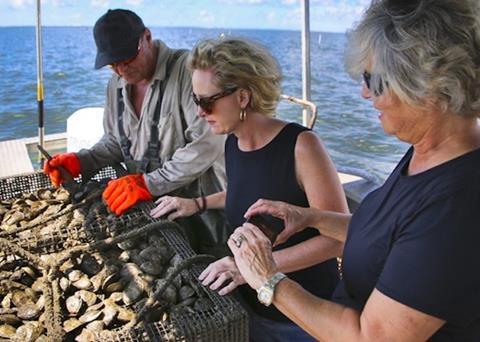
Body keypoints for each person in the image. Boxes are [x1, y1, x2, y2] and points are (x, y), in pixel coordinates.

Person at [229, 0, 480, 341]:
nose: (363, 93)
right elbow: (390, 236)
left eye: (373, 79)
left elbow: (371, 337)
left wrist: (267, 278)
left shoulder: (457, 203)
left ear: (429, 86)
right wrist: (312, 217)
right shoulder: (427, 153)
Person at [149, 37, 349, 341]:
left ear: (242, 97)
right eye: (195, 99)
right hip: (248, 306)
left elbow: (337, 240)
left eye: (207, 101)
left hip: (303, 318)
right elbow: (249, 196)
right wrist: (196, 204)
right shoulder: (232, 142)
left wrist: (250, 269)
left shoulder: (302, 146)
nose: (200, 112)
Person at [42, 9, 228, 253]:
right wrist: (83, 160)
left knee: (212, 267)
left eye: (127, 59)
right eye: (113, 65)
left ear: (147, 37)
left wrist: (149, 183)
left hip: (205, 211)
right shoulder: (116, 84)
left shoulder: (189, 72)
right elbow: (116, 141)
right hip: (151, 207)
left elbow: (208, 144)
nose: (122, 71)